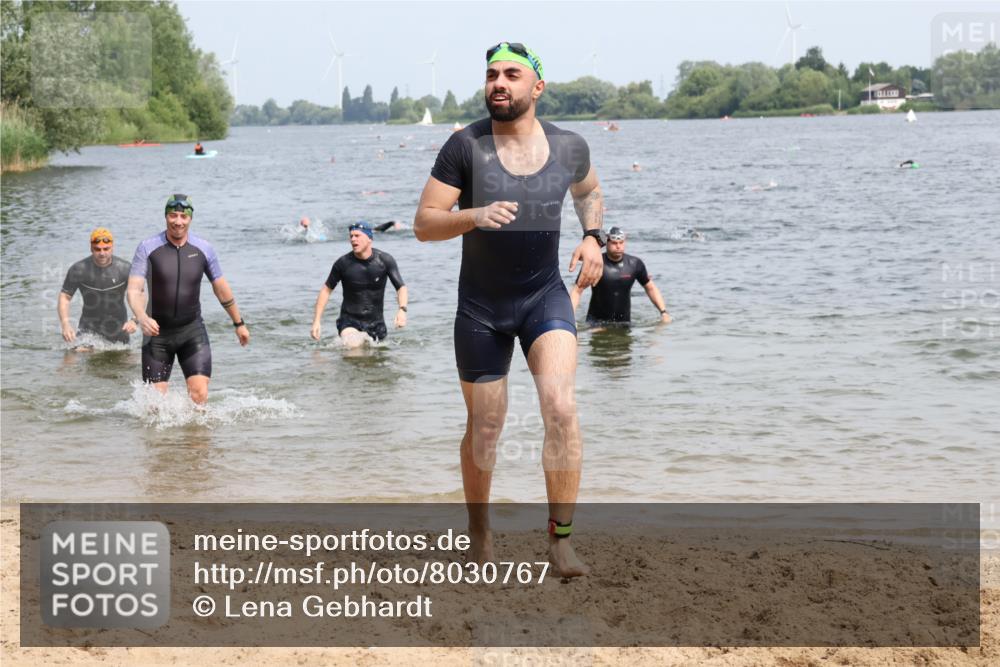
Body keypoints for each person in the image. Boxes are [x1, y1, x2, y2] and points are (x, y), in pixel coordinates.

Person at [414, 42, 603, 578]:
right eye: (492, 74)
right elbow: (424, 224)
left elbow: (589, 191)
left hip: (544, 297)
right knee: (486, 427)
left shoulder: (569, 146)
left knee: (561, 408)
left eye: (512, 75)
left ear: (537, 87)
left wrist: (593, 236)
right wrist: (472, 216)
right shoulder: (464, 146)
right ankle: (479, 535)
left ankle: (560, 543)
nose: (498, 82)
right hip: (481, 309)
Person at [127, 194, 250, 405]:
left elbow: (221, 288)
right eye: (173, 215)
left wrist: (239, 324)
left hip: (191, 331)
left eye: (183, 216)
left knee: (199, 394)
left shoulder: (204, 248)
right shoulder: (147, 248)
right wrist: (141, 317)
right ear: (166, 216)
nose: (178, 221)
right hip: (157, 334)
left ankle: (195, 429)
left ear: (190, 218)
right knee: (154, 404)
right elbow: (134, 289)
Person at [310, 221, 407, 348]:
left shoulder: (384, 260)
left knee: (375, 357)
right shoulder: (343, 263)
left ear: (369, 238)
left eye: (357, 236)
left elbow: (401, 287)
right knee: (354, 346)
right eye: (351, 236)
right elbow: (326, 290)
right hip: (349, 322)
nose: (353, 239)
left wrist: (402, 310)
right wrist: (316, 321)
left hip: (376, 324)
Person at [570, 227, 671, 325]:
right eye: (614, 243)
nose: (618, 246)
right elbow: (577, 290)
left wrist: (663, 312)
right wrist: (570, 318)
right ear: (606, 242)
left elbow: (650, 288)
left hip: (624, 323)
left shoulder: (634, 264)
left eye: (621, 242)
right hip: (597, 324)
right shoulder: (597, 263)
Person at [58, 227, 137, 346]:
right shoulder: (78, 269)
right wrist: (65, 324)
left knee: (128, 358)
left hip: (119, 331)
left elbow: (138, 296)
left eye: (106, 249)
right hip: (88, 331)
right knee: (74, 356)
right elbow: (65, 297)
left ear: (112, 247)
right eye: (97, 249)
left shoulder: (125, 269)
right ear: (91, 248)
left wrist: (135, 320)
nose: (102, 253)